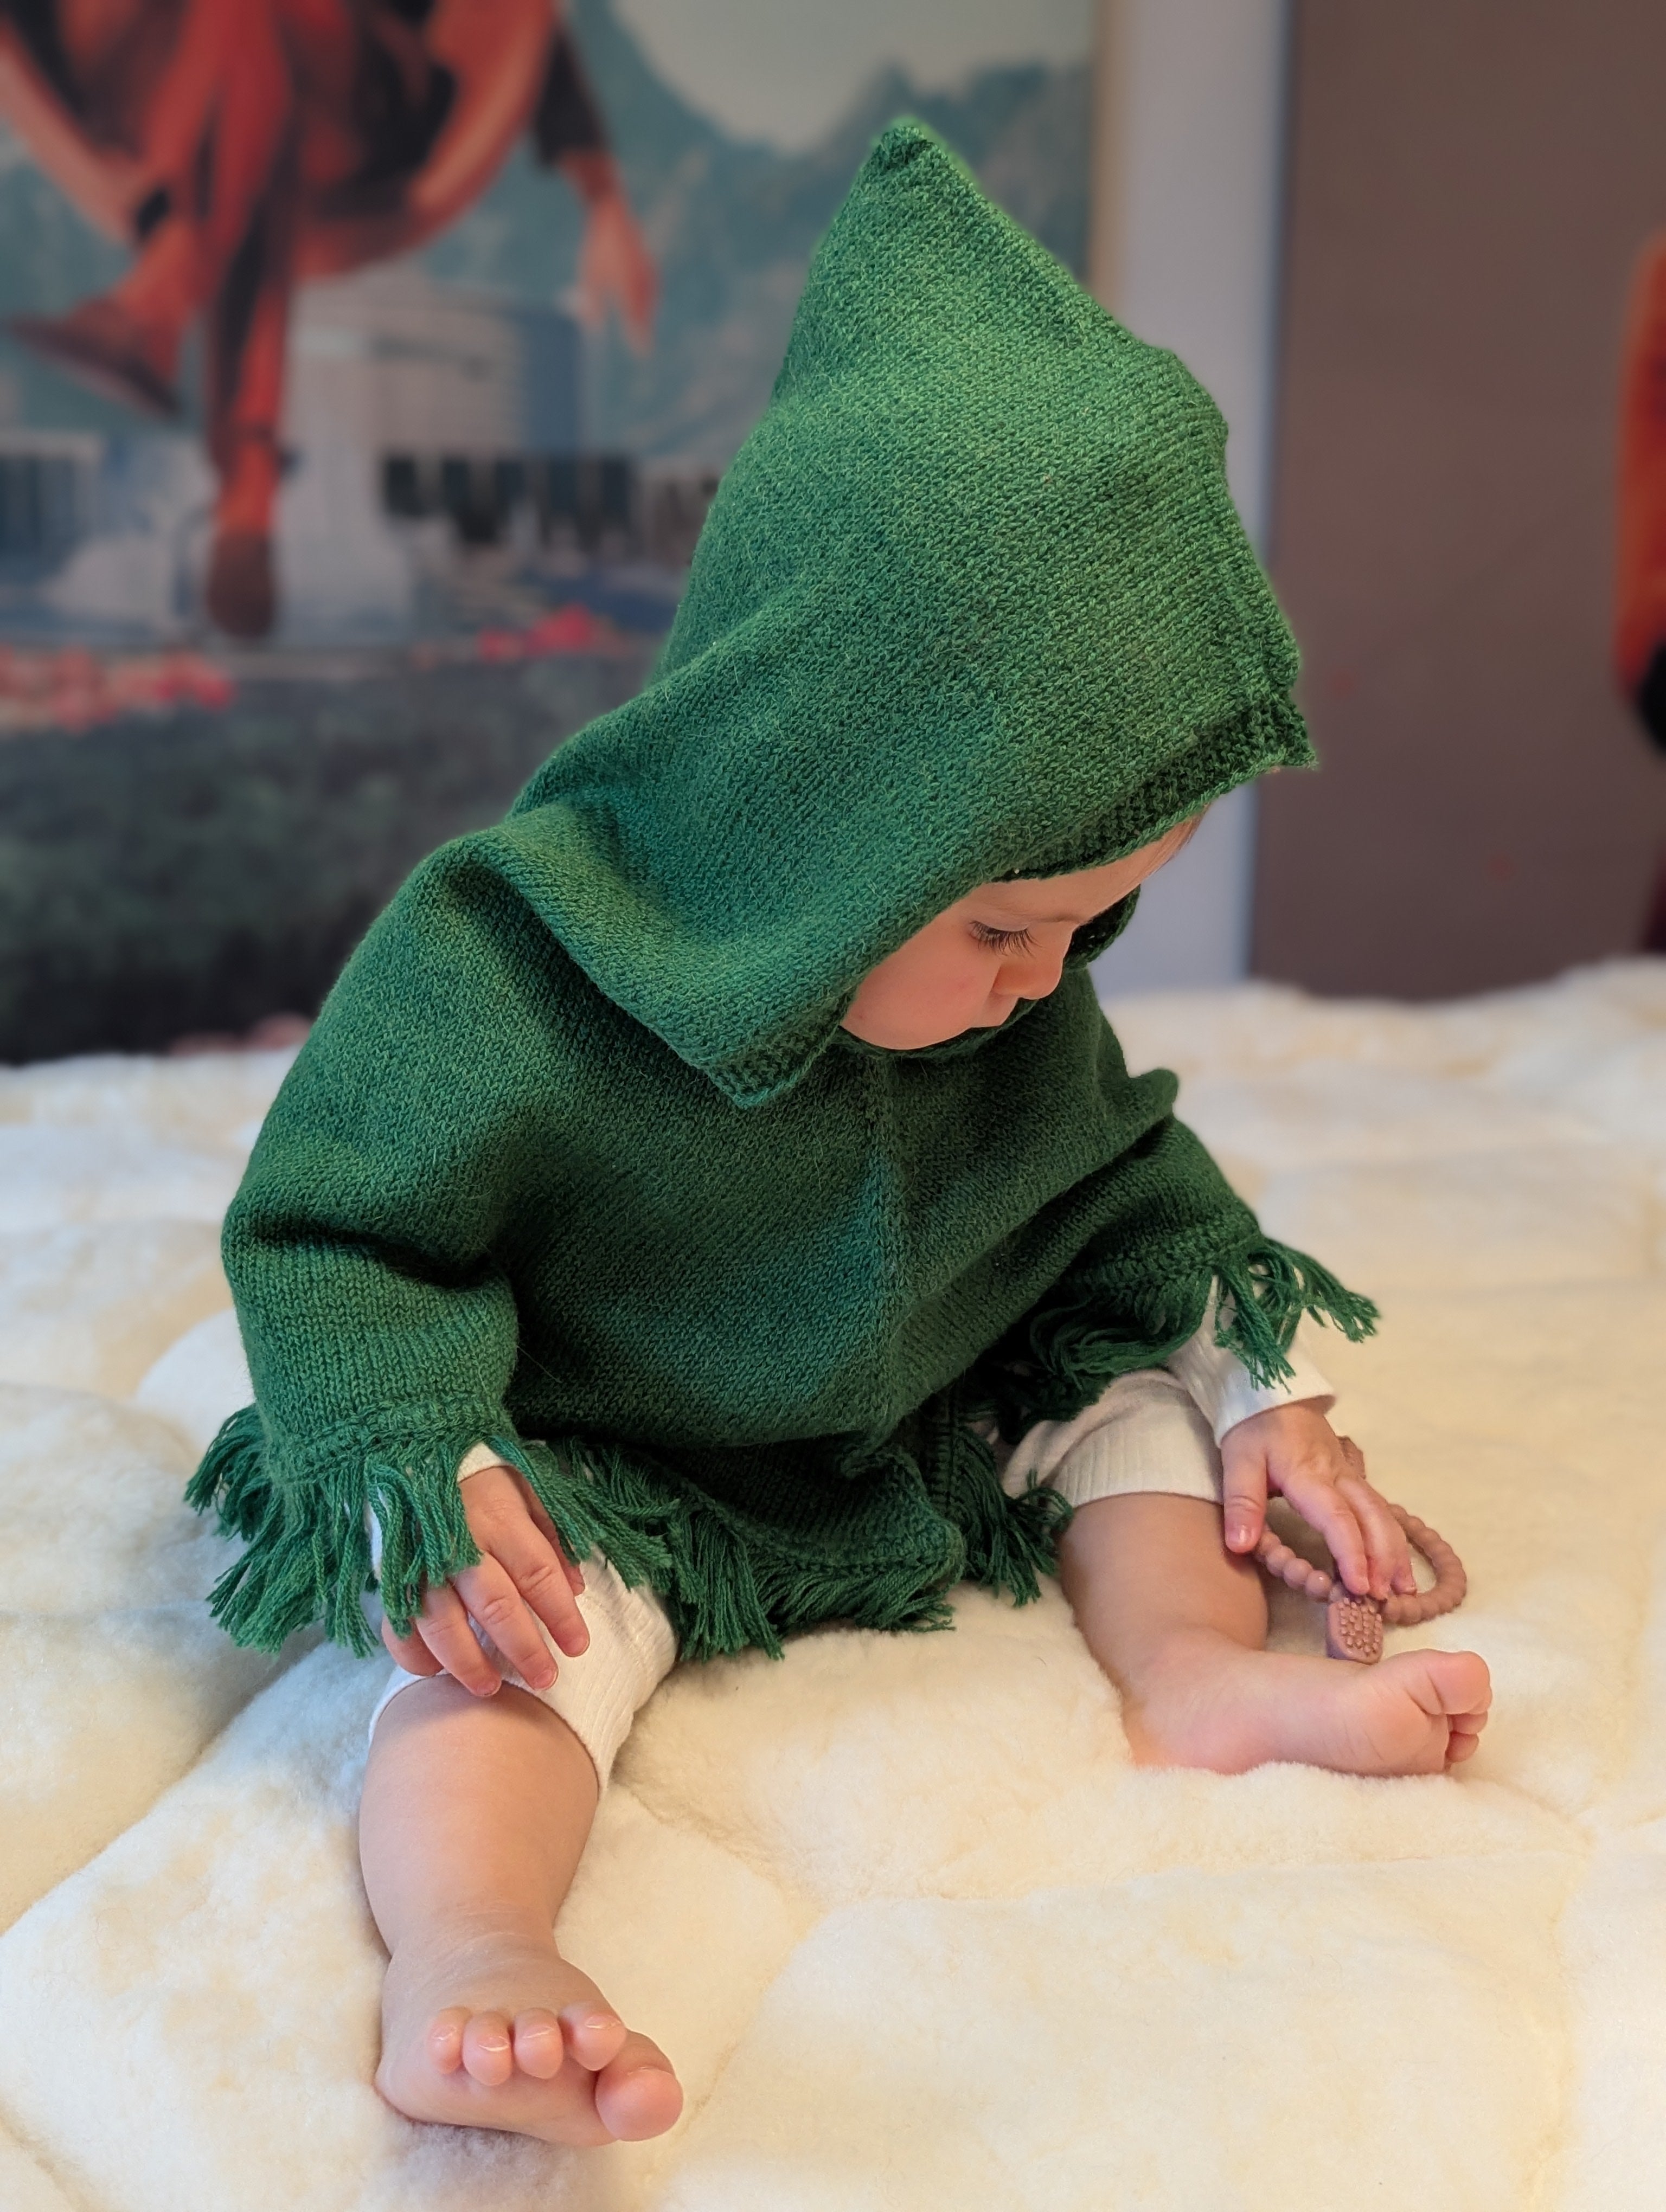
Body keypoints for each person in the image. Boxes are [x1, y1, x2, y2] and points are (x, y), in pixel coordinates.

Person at [188, 123, 1492, 2147]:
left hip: (908, 1405)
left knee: (1132, 1392)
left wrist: (1264, 1405)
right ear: (829, 814)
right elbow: (339, 1238)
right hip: (612, 1440)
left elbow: (1127, 1204)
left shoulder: (1000, 1006)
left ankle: (1197, 1675)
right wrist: (420, 1463)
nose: (1049, 980)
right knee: (506, 1656)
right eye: (1005, 921)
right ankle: (472, 1947)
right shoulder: (512, 969)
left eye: (1089, 926)